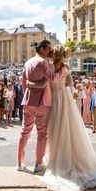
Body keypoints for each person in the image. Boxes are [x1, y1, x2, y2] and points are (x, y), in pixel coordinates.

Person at [29, 45, 96, 191]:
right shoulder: (65, 68)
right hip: (64, 98)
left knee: (54, 129)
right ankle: (67, 158)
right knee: (68, 128)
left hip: (53, 99)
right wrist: (63, 82)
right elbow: (70, 83)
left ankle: (55, 156)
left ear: (53, 55)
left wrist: (31, 84)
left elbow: (44, 83)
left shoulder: (50, 67)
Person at [18, 39, 67, 174]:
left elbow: (23, 82)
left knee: (24, 132)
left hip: (28, 102)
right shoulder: (43, 62)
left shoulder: (27, 62)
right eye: (49, 48)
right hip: (42, 103)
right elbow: (53, 78)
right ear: (43, 48)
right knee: (42, 134)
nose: (50, 51)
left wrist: (27, 95)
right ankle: (39, 164)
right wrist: (63, 71)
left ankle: (20, 163)